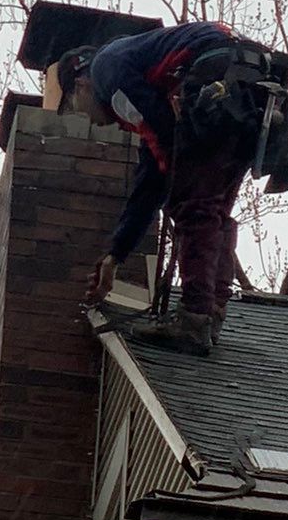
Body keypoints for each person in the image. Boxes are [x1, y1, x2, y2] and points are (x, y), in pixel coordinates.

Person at [64, 21, 266, 355]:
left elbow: (162, 132)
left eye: (75, 106)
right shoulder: (141, 74)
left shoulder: (105, 70)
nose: (88, 119)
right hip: (251, 89)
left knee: (194, 208)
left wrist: (178, 188)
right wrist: (116, 256)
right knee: (211, 210)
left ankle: (194, 318)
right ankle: (211, 310)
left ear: (81, 84)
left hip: (220, 78)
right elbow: (150, 182)